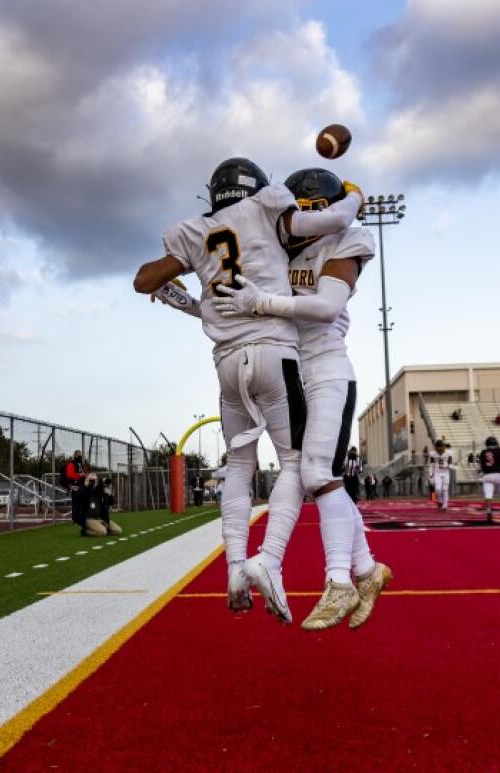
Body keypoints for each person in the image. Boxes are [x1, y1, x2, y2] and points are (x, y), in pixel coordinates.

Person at [135, 156, 363, 622]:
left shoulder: (196, 230)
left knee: (238, 465)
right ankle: (270, 560)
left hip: (225, 365)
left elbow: (145, 281)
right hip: (275, 355)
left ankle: (235, 568)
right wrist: (355, 194)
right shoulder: (267, 207)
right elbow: (336, 218)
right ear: (258, 188)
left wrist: (179, 287)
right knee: (298, 465)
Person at [205, 165, 393, 630]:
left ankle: (340, 582)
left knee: (314, 472)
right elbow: (234, 301)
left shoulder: (345, 243)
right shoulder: (271, 248)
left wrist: (263, 304)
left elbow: (326, 305)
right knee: (311, 474)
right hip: (290, 369)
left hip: (326, 369)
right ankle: (367, 569)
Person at [478, 437, 500, 522]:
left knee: (488, 496)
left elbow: (481, 467)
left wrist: (481, 474)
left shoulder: (483, 452)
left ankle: (489, 512)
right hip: (497, 475)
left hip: (487, 476)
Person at [427, 439, 454, 512]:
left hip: (446, 473)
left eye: (441, 449)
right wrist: (430, 475)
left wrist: (450, 466)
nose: (440, 451)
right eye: (439, 449)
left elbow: (450, 463)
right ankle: (440, 501)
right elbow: (431, 465)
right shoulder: (433, 454)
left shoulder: (448, 453)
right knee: (438, 490)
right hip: (437, 473)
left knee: (445, 489)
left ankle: (445, 506)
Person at [64, 450, 88, 524]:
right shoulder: (71, 464)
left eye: (81, 455)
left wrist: (85, 475)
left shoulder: (81, 464)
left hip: (82, 485)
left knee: (83, 503)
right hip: (75, 485)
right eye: (78, 455)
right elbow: (69, 475)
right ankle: (75, 519)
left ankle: (82, 517)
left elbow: (85, 473)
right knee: (76, 503)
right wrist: (79, 475)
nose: (80, 457)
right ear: (75, 455)